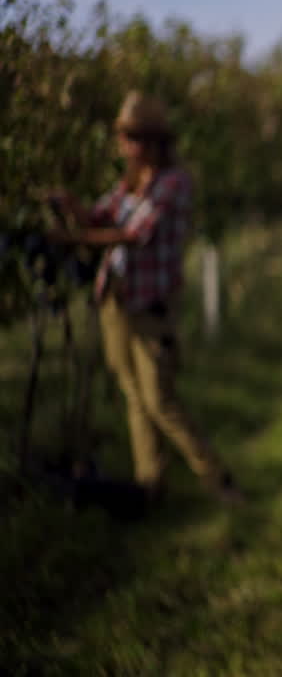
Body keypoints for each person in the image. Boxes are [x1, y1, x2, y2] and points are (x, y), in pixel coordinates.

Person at [46, 91, 241, 505]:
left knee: (159, 399)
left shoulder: (173, 182)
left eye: (132, 137)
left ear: (154, 141)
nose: (126, 145)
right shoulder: (133, 180)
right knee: (132, 392)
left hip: (151, 304)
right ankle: (150, 483)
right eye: (124, 136)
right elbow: (101, 217)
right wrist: (71, 207)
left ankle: (217, 479)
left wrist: (72, 238)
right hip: (116, 300)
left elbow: (133, 235)